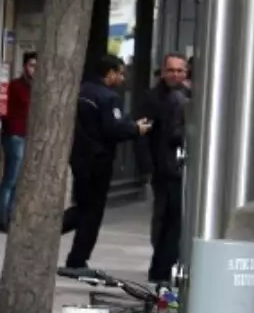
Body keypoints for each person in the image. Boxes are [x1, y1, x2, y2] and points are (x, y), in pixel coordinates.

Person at [62, 54, 151, 273]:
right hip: (98, 159)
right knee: (91, 211)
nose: (122, 78)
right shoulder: (108, 97)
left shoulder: (81, 91)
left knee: (83, 206)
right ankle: (77, 259)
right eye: (120, 73)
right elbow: (112, 128)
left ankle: (68, 250)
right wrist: (136, 129)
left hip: (79, 157)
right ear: (109, 73)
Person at [142, 53, 190, 283]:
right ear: (163, 71)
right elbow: (144, 135)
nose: (175, 75)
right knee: (165, 221)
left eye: (179, 70)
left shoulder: (187, 95)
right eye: (171, 70)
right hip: (163, 169)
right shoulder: (154, 98)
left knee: (174, 221)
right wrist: (148, 167)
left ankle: (165, 266)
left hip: (180, 169)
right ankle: (160, 269)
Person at [0, 52, 36, 231]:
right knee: (10, 179)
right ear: (25, 66)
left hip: (26, 135)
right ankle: (1, 219)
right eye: (32, 65)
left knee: (18, 180)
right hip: (15, 135)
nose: (34, 69)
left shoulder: (36, 88)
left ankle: (11, 218)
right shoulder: (16, 86)